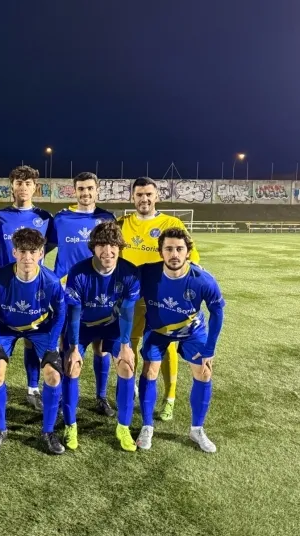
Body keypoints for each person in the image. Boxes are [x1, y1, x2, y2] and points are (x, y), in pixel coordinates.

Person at [117, 177, 200, 421]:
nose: (144, 199)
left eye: (148, 194)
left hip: (162, 297)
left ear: (157, 196)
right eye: (139, 194)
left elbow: (191, 257)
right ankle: (130, 387)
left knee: (167, 346)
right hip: (130, 297)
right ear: (132, 197)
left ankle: (169, 398)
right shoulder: (122, 223)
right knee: (128, 343)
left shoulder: (171, 223)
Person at [136, 228, 224, 453]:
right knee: (149, 370)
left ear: (188, 252)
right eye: (168, 249)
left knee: (204, 371)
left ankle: (197, 429)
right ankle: (147, 426)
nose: (174, 254)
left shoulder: (203, 280)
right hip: (157, 330)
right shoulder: (147, 273)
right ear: (161, 252)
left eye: (179, 249)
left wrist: (210, 348)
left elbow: (217, 313)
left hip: (192, 331)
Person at [0, 228, 66, 454]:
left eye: (33, 252)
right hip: (6, 329)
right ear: (14, 253)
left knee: (53, 375)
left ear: (41, 253)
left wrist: (52, 345)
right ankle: (0, 429)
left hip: (40, 329)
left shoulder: (51, 281)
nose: (27, 257)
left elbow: (60, 313)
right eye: (22, 251)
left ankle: (48, 431)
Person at [63, 221, 140, 451]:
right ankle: (70, 425)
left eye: (113, 245)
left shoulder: (130, 272)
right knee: (71, 366)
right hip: (82, 326)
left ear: (120, 247)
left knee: (127, 365)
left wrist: (125, 345)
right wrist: (73, 348)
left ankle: (123, 427)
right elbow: (73, 314)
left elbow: (127, 312)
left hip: (112, 326)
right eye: (101, 245)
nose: (108, 251)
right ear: (93, 248)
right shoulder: (78, 272)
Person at [51, 172, 116, 416]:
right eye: (81, 188)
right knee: (67, 344)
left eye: (90, 188)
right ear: (74, 191)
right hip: (67, 292)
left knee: (101, 347)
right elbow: (45, 246)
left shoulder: (107, 218)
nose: (85, 193)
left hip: (98, 292)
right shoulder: (61, 219)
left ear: (97, 190)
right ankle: (62, 397)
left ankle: (101, 397)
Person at [0, 166, 55, 411]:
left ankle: (32, 389)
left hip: (34, 288)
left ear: (35, 187)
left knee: (31, 338)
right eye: (19, 183)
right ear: (12, 186)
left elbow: (47, 247)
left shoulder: (45, 218)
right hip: (6, 289)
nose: (23, 188)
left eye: (28, 183)